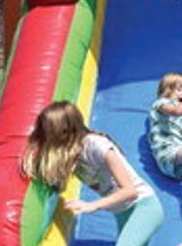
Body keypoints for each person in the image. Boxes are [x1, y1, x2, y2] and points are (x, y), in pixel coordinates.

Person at [22, 101, 163, 246]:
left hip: (144, 206)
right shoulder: (69, 153)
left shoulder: (97, 145)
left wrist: (93, 206)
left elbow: (130, 191)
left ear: (63, 132)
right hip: (122, 213)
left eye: (48, 133)